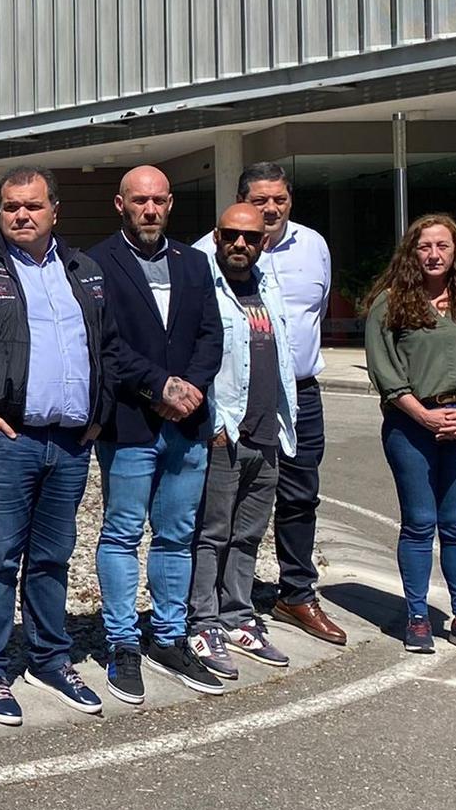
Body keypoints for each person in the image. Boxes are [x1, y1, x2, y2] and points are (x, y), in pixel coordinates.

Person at [0, 165, 114, 726]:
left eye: (32, 206)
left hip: (71, 443)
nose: (21, 216)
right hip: (6, 443)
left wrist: (99, 415)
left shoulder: (85, 271)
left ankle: (50, 659)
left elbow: (109, 347)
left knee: (53, 557)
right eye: (11, 207)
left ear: (55, 210)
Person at [90, 165, 226, 703]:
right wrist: (158, 387)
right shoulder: (96, 264)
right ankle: (123, 643)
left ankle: (169, 636)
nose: (150, 210)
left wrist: (189, 386)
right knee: (123, 532)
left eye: (159, 201)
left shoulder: (194, 263)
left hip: (187, 425)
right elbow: (104, 343)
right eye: (139, 201)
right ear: (119, 204)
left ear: (171, 204)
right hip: (131, 425)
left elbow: (211, 335)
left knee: (176, 534)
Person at [194, 164, 345, 647]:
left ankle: (295, 593)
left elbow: (308, 319)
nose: (271, 208)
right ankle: (206, 612)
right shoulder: (205, 256)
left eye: (279, 199)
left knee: (298, 498)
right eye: (260, 200)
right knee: (217, 515)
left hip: (293, 395)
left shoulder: (313, 246)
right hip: (228, 403)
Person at [362, 214, 456, 654]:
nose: (434, 255)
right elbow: (384, 370)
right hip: (412, 426)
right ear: (412, 253)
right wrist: (424, 416)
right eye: (425, 247)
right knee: (420, 524)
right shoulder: (390, 304)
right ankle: (419, 617)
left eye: (443, 246)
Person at [188, 204, 299, 680]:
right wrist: (211, 421)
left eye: (250, 238)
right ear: (217, 236)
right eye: (231, 235)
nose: (240, 244)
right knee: (212, 533)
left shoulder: (267, 286)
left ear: (263, 242)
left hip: (266, 431)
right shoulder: (205, 288)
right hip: (224, 432)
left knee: (249, 532)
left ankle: (237, 615)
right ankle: (203, 620)